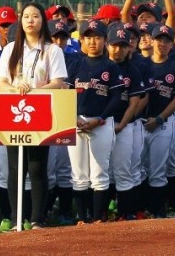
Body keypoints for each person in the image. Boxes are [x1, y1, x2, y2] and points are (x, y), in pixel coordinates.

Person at [0, 3, 68, 230]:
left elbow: (58, 82)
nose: (30, 20)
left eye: (35, 16)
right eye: (26, 16)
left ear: (42, 21)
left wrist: (35, 91)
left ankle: (37, 218)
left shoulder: (52, 50)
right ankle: (17, 218)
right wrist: (16, 89)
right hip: (13, 111)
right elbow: (1, 82)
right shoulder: (10, 49)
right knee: (15, 168)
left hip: (41, 110)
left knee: (37, 167)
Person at [65, 19, 122, 224]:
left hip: (102, 122)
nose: (92, 42)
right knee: (78, 174)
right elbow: (66, 93)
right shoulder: (75, 64)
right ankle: (82, 218)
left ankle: (98, 218)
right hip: (77, 122)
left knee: (100, 173)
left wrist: (100, 118)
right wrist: (72, 117)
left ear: (105, 41)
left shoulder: (111, 66)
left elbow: (116, 97)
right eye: (88, 37)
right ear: (81, 40)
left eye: (97, 37)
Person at [141, 24, 175, 217]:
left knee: (159, 170)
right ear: (151, 40)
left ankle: (158, 212)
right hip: (140, 123)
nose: (162, 44)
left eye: (167, 41)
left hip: (163, 123)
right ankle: (141, 210)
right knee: (140, 169)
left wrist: (160, 118)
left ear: (171, 44)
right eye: (159, 39)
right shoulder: (142, 65)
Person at [105, 22, 148, 220]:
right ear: (107, 44)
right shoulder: (99, 66)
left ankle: (126, 213)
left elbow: (135, 102)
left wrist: (122, 124)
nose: (118, 49)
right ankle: (100, 212)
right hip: (101, 124)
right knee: (102, 172)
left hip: (125, 125)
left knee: (124, 170)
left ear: (129, 47)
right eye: (114, 44)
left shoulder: (133, 70)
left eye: (122, 45)